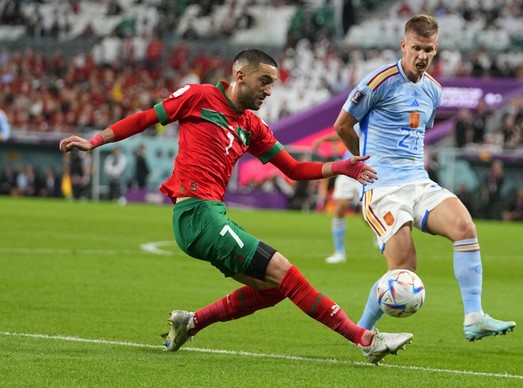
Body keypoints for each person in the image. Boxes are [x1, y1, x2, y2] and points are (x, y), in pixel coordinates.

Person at [58, 48, 412, 364]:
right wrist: (95, 140)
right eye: (264, 82)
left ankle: (191, 322)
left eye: (272, 85)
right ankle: (365, 339)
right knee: (287, 273)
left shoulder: (253, 126)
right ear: (240, 75)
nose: (269, 91)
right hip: (196, 213)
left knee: (273, 289)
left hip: (212, 216)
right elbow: (145, 118)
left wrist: (340, 166)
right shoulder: (199, 97)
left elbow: (292, 168)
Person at [332, 15, 516, 344]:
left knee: (464, 227)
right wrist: (362, 164)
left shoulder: (434, 90)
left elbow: (416, 135)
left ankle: (474, 317)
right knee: (405, 269)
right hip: (383, 187)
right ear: (403, 45)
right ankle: (360, 331)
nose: (422, 55)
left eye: (429, 50)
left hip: (418, 180)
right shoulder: (379, 81)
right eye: (416, 48)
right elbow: (343, 125)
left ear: (436, 49)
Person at [313, 133, 364, 264]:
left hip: (367, 169)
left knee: (367, 214)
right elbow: (343, 130)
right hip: (349, 169)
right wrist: (323, 138)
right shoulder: (358, 117)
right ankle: (339, 252)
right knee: (340, 208)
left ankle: (378, 236)